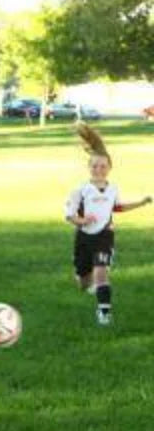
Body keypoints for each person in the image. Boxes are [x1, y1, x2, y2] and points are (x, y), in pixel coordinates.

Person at [64, 123, 152, 326]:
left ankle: (104, 313)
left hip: (105, 236)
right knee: (83, 281)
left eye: (103, 166)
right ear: (89, 167)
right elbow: (69, 216)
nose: (99, 169)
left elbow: (117, 208)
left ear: (109, 168)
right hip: (84, 237)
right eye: (95, 166)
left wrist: (141, 202)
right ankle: (86, 279)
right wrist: (82, 220)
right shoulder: (81, 190)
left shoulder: (112, 189)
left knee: (101, 271)